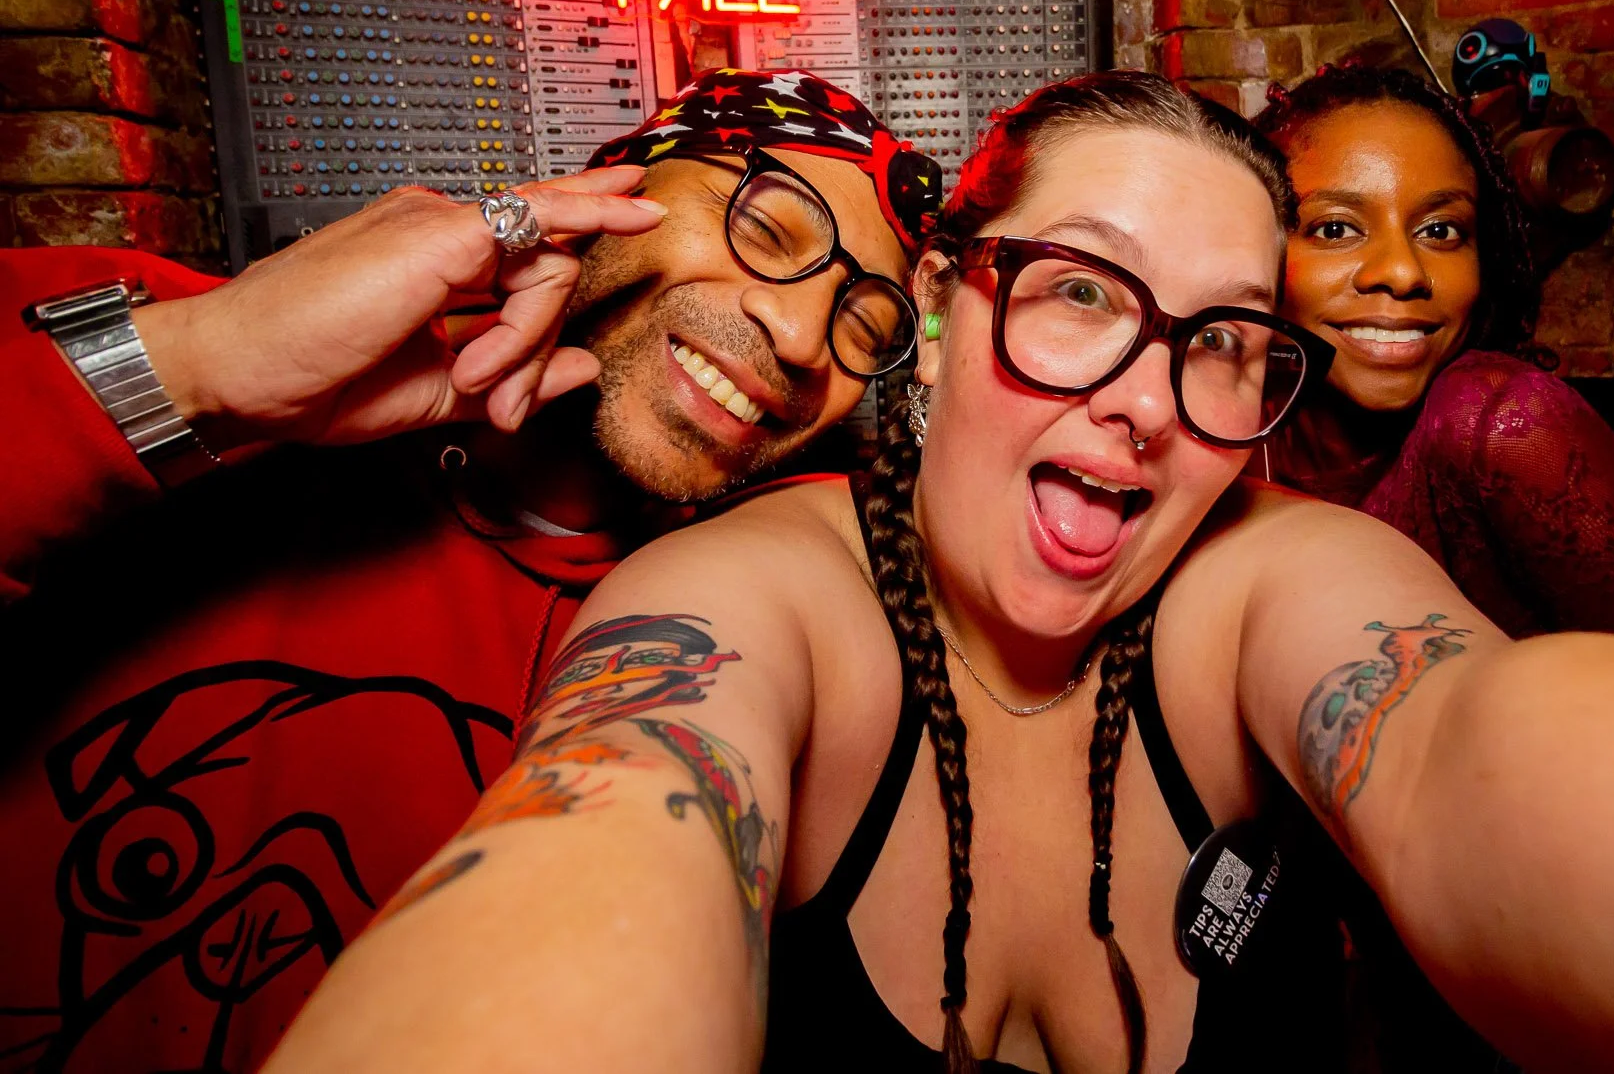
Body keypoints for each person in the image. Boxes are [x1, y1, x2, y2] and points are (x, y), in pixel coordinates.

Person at [260, 71, 1614, 1074]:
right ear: (941, 318)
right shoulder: (768, 593)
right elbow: (611, 815)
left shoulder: (1264, 583)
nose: (1140, 399)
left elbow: (1471, 749)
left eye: (1222, 340)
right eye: (1079, 294)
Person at [0, 67, 940, 1074]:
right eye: (766, 227)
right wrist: (197, 366)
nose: (801, 339)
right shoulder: (158, 342)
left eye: (863, 330)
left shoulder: (737, 629)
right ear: (616, 183)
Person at [1255, 60, 1614, 649]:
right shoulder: (1219, 427)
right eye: (1336, 229)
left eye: (1440, 230)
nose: (1404, 272)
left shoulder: (1500, 418)